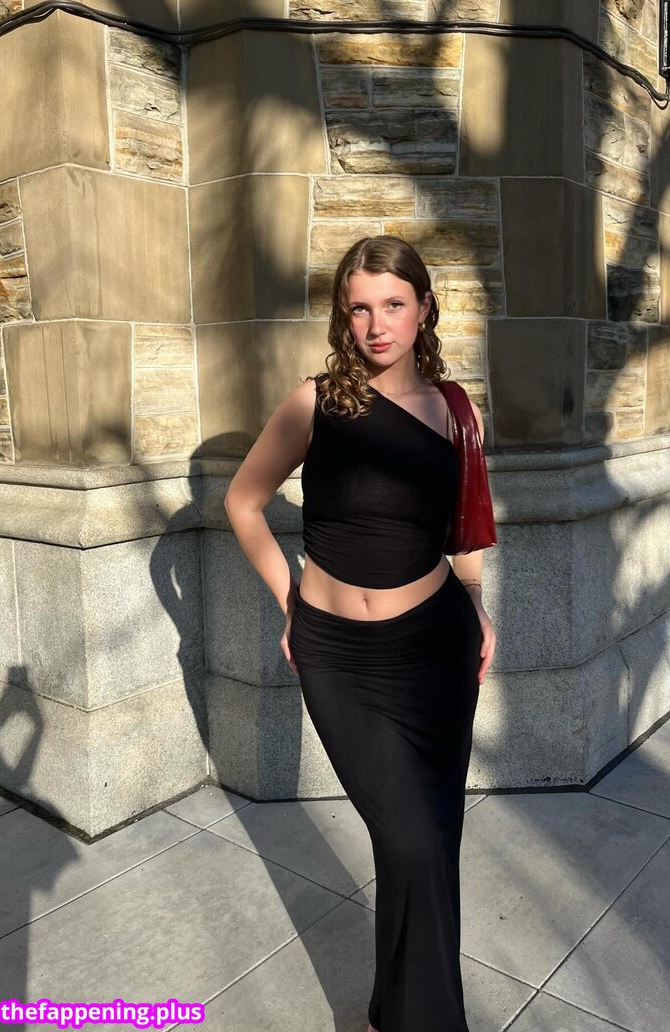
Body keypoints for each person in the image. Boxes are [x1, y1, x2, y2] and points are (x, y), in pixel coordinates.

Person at [224, 235, 497, 1032]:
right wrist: (291, 602)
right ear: (344, 318)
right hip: (340, 657)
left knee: (430, 842)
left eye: (394, 304)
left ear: (424, 308)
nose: (377, 325)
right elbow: (244, 502)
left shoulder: (456, 410)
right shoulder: (315, 404)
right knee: (409, 838)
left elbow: (465, 529)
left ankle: (396, 1012)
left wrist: (477, 604)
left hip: (437, 649)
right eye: (360, 308)